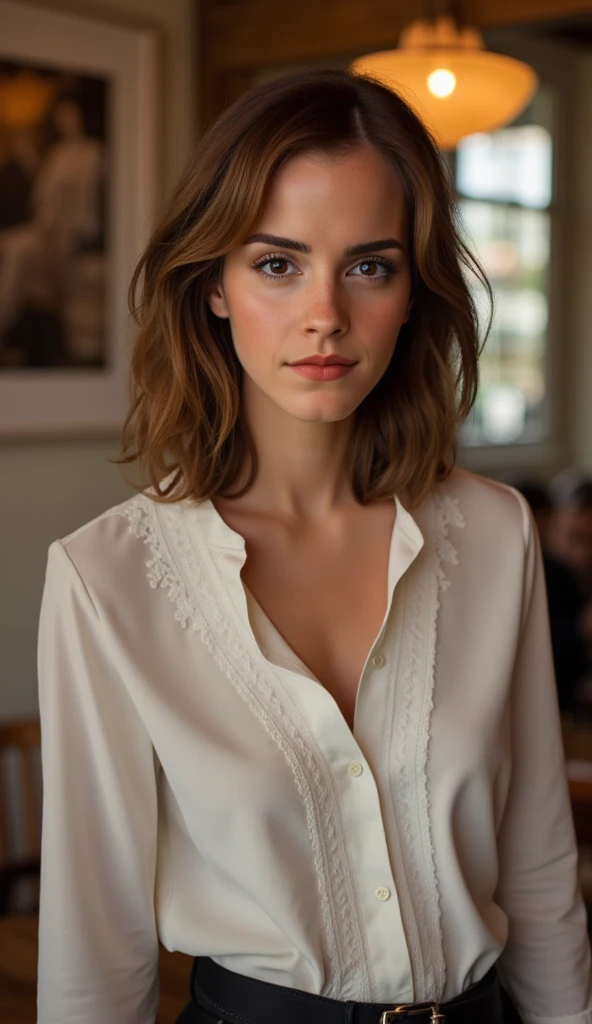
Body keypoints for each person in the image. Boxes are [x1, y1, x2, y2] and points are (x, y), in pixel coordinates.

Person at [36, 70, 592, 1024]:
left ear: (415, 291)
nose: (326, 312)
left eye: (369, 265)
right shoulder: (106, 579)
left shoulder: (499, 533)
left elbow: (539, 866)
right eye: (278, 263)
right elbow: (96, 946)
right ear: (213, 285)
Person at [506, 477, 591, 712]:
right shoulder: (542, 575)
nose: (585, 553)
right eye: (575, 537)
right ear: (552, 527)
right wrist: (580, 629)